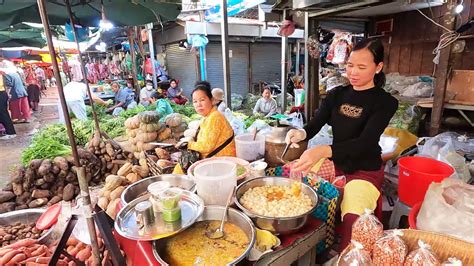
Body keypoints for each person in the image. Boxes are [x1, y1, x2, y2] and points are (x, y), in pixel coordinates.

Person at [285, 39, 398, 251]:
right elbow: (316, 122)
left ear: (378, 67)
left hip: (364, 168)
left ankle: (346, 256)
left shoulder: (385, 102)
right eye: (350, 65)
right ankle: (311, 244)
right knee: (296, 182)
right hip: (336, 162)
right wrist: (300, 133)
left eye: (362, 67)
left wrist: (323, 150)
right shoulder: (337, 94)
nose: (353, 72)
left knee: (354, 220)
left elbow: (365, 142)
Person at [173, 81, 236, 174]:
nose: (198, 104)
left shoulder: (215, 117)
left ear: (211, 100)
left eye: (202, 100)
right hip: (212, 159)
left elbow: (206, 147)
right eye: (195, 101)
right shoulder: (207, 117)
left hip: (222, 163)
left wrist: (188, 144)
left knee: (180, 171)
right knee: (180, 167)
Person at [0, 72, 16, 139]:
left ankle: (11, 132)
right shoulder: (2, 73)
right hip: (3, 94)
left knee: (3, 113)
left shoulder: (2, 74)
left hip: (1, 94)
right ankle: (9, 131)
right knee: (2, 113)